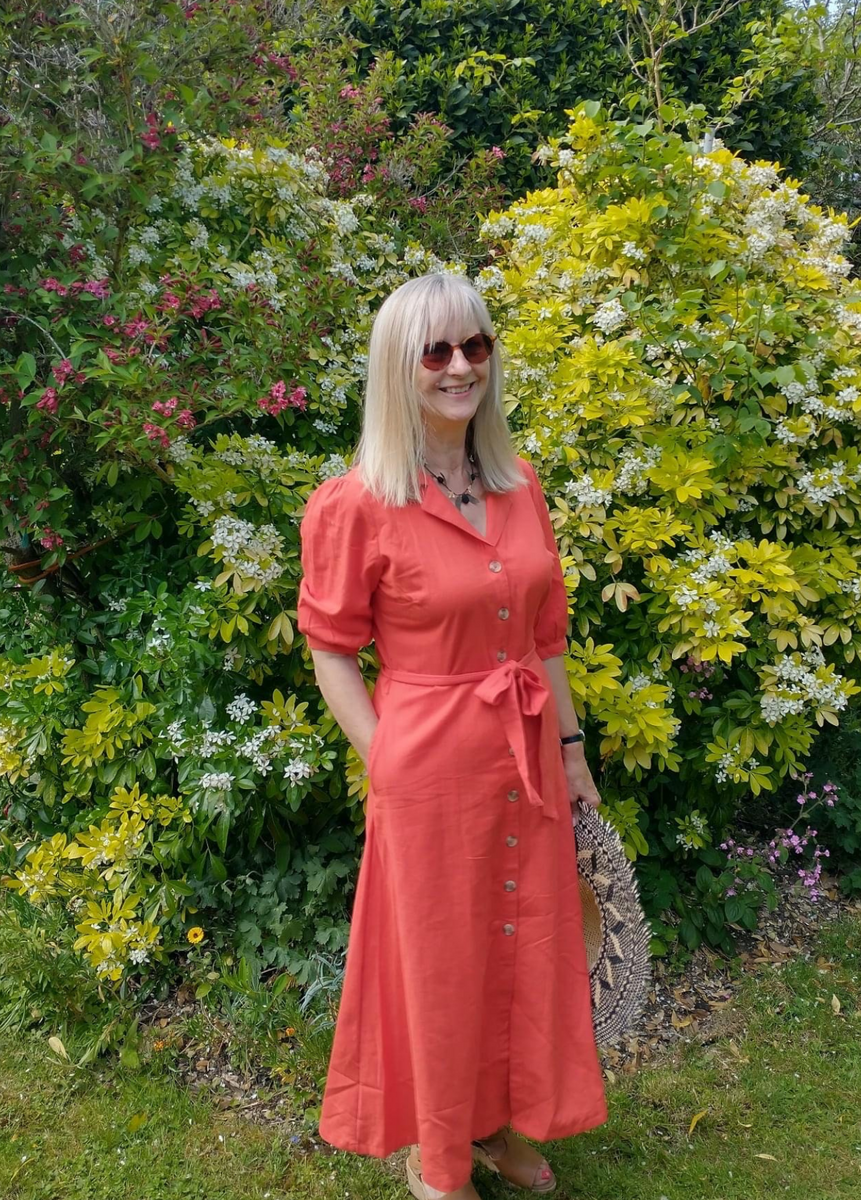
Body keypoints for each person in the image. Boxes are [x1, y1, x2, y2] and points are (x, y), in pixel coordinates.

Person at [296, 272, 608, 1200]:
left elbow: (545, 637)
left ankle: (503, 1127)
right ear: (400, 367)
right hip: (428, 768)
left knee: (523, 946)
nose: (461, 365)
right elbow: (331, 648)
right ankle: (439, 1162)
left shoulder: (518, 486)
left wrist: (573, 753)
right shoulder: (355, 504)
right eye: (436, 351)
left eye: (476, 346)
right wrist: (382, 756)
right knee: (441, 963)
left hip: (525, 758)